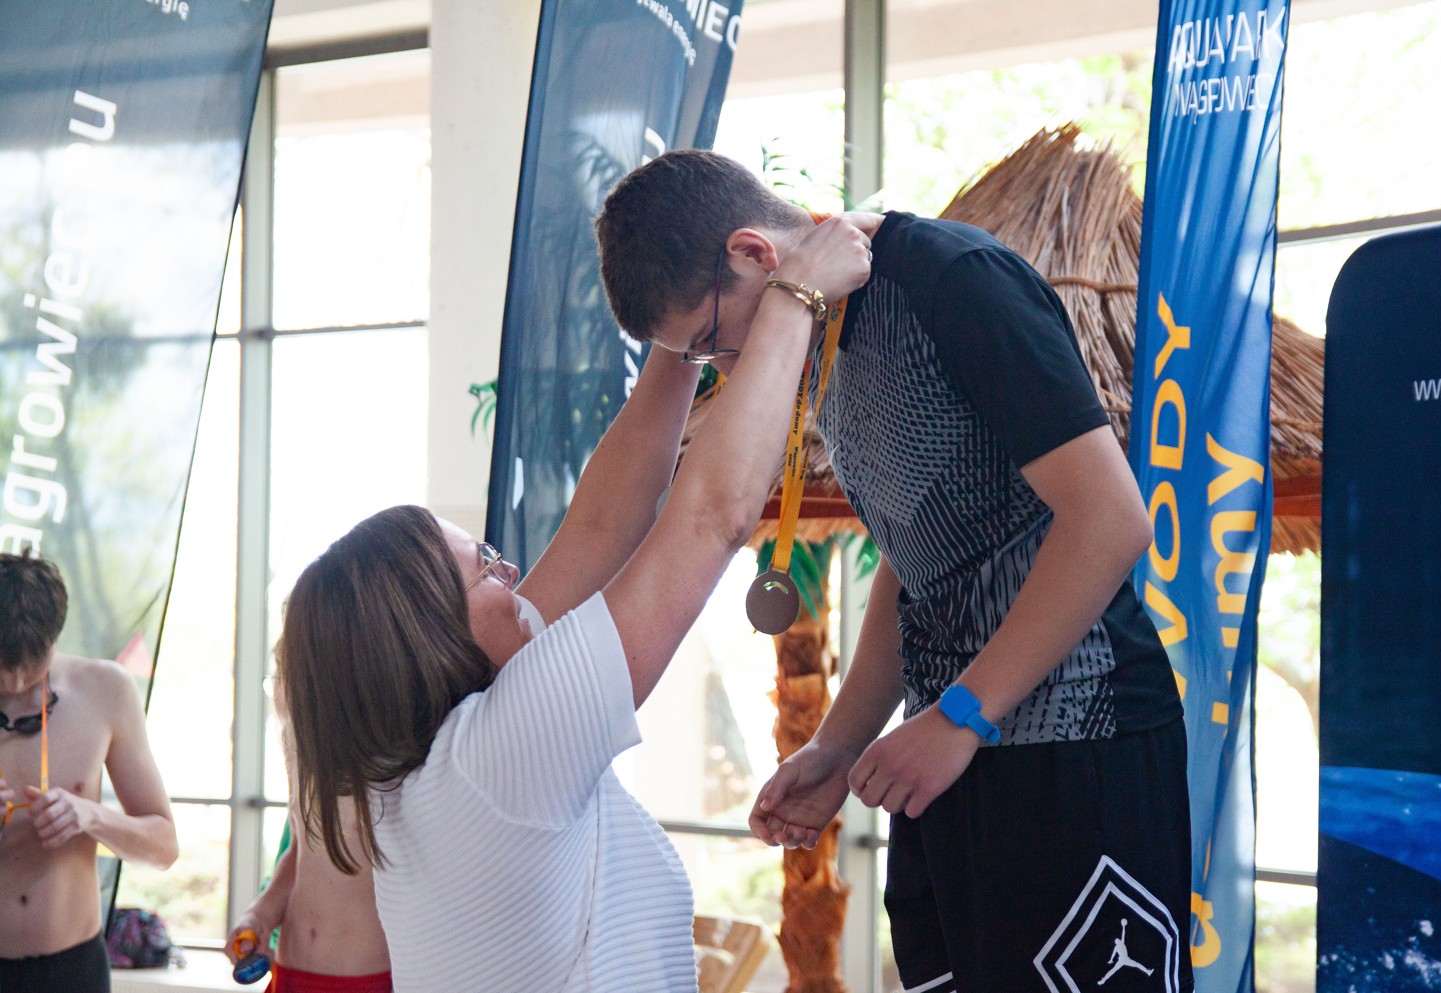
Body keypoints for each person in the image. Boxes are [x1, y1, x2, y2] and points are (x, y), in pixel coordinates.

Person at [595, 149, 1193, 993]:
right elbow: (918, 557)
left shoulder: (953, 280)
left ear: (755, 253)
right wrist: (840, 745)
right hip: (949, 763)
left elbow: (1110, 519)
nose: (728, 371)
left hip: (1076, 747)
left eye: (711, 344)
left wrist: (962, 715)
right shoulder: (829, 334)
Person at [276, 215, 873, 993]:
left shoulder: (432, 762)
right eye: (486, 571)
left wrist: (682, 329)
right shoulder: (500, 754)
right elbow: (711, 516)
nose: (513, 572)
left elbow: (602, 521)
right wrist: (795, 295)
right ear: (431, 638)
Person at [0, 551, 179, 993]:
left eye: (31, 669)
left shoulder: (106, 690)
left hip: (73, 969)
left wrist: (91, 816)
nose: (14, 684)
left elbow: (163, 848)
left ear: (55, 638)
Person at [223, 649, 392, 993]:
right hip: (290, 969)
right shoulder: (297, 746)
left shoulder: (389, 755)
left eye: (283, 678)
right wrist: (260, 915)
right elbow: (301, 851)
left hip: (363, 977)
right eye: (276, 677)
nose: (278, 693)